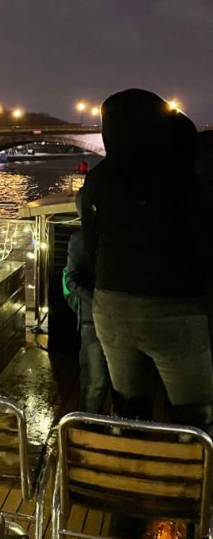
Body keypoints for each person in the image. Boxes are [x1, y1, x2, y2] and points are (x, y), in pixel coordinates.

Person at [82, 88, 213, 430]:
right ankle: (189, 468)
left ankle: (130, 464)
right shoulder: (184, 175)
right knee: (194, 412)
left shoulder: (100, 176)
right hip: (176, 308)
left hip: (112, 304)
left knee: (127, 405)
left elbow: (91, 242)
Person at [64, 188, 111, 413]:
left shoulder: (119, 237)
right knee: (95, 382)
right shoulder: (79, 240)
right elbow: (72, 281)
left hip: (114, 319)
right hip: (93, 320)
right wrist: (101, 301)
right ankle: (87, 429)